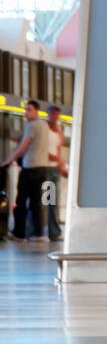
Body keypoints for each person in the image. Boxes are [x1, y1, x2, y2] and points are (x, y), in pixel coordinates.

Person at [1, 100, 53, 241]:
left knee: (21, 201)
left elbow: (23, 147)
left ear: (36, 111)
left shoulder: (31, 126)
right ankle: (38, 234)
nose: (26, 112)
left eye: (29, 109)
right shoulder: (44, 125)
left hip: (30, 168)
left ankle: (19, 233)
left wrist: (8, 161)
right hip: (42, 168)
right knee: (36, 203)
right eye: (25, 109)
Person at [43, 105, 65, 242]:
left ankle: (54, 232)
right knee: (43, 201)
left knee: (53, 201)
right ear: (48, 114)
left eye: (57, 114)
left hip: (54, 169)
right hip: (44, 168)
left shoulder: (59, 131)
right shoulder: (44, 129)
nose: (55, 117)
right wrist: (53, 158)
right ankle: (35, 231)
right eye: (52, 114)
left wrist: (60, 164)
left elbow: (58, 149)